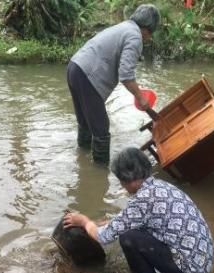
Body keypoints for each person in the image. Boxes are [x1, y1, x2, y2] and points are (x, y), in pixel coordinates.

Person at [63, 147, 214, 273]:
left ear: (130, 179)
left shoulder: (142, 200)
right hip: (202, 262)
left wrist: (84, 222)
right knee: (131, 229)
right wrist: (110, 222)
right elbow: (141, 217)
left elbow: (103, 237)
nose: (123, 186)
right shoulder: (160, 186)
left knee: (128, 237)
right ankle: (164, 270)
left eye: (122, 182)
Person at [67, 4, 161, 164]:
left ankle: (82, 161)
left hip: (74, 68)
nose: (149, 37)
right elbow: (126, 75)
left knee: (85, 123)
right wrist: (140, 97)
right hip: (88, 76)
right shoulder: (135, 36)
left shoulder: (124, 26)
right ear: (147, 28)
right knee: (101, 131)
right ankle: (100, 175)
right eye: (151, 32)